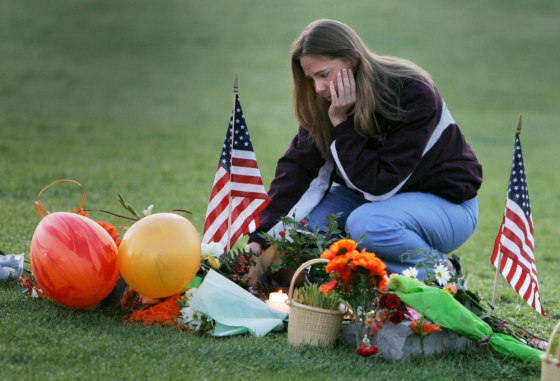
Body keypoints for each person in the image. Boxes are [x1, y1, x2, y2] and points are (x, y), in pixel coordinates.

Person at [245, 19, 482, 277]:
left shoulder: (412, 90)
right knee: (308, 234)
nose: (318, 87)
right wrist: (260, 236)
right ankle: (356, 292)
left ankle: (444, 273)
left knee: (368, 225)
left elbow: (380, 185)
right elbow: (297, 171)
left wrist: (341, 124)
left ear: (352, 60)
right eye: (311, 78)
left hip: (446, 205)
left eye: (324, 74)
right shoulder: (324, 103)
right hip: (373, 201)